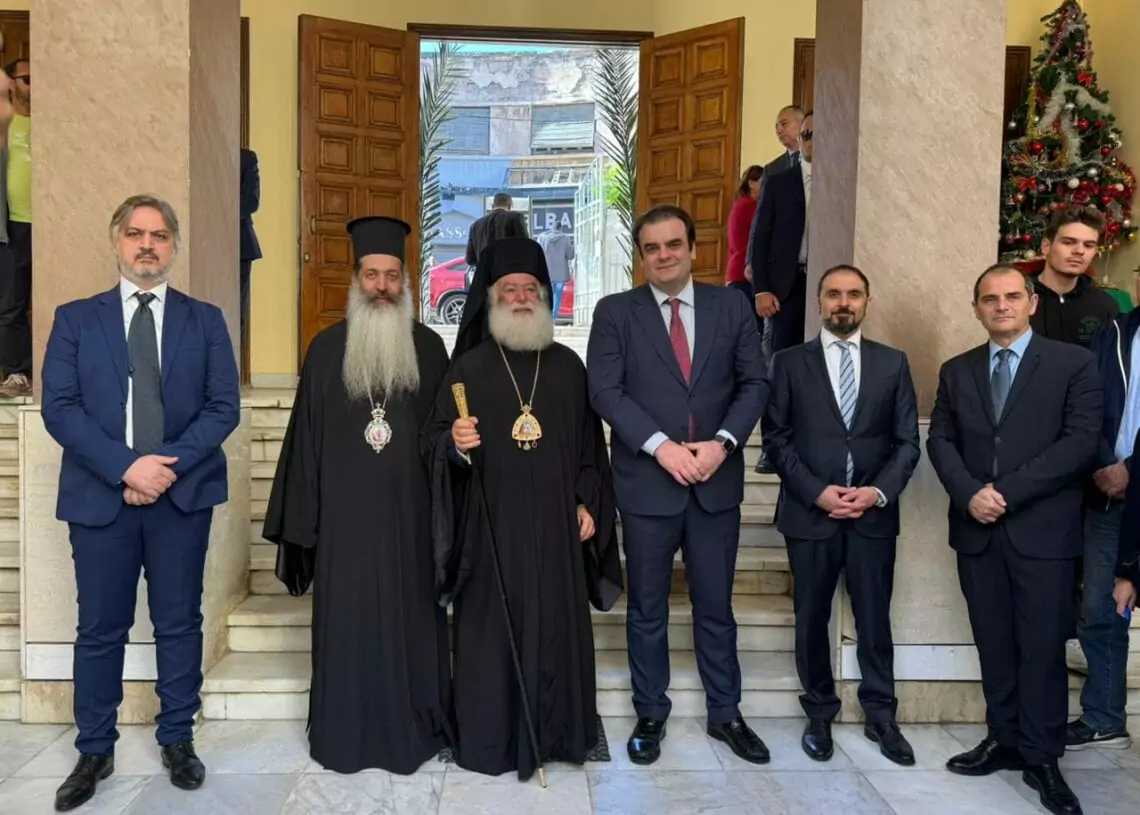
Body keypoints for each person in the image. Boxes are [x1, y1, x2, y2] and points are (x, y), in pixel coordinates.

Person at [40, 194, 241, 812]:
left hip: (181, 497)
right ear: (117, 242)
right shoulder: (76, 319)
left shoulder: (205, 321)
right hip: (100, 499)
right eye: (135, 234)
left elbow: (223, 408)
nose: (147, 245)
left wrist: (161, 470)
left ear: (174, 245)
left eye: (159, 235)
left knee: (179, 622)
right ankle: (94, 748)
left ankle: (177, 738)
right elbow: (60, 409)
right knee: (101, 628)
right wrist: (127, 467)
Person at [424, 236, 622, 780]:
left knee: (555, 627)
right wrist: (453, 444)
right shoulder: (467, 369)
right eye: (508, 289)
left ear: (544, 295)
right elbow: (433, 440)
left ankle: (557, 733)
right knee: (491, 634)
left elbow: (590, 448)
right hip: (490, 531)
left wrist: (587, 501)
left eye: (529, 288)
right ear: (491, 299)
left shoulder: (569, 368)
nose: (519, 297)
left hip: (557, 529)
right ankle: (492, 737)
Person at [262, 215, 452, 775]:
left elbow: (444, 437)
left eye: (392, 276)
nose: (381, 287)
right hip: (343, 531)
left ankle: (416, 728)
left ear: (405, 281)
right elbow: (305, 444)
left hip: (410, 525)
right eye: (371, 275)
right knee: (347, 631)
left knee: (411, 626)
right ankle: (343, 732)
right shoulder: (325, 351)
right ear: (356, 279)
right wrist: (306, 525)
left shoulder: (429, 349)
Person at [586, 205, 769, 766]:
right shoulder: (616, 312)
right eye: (652, 248)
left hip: (715, 482)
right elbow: (605, 391)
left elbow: (755, 382)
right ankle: (650, 712)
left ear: (692, 247)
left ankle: (726, 713)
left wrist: (723, 444)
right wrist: (661, 446)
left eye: (673, 244)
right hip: (648, 485)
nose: (663, 255)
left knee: (715, 605)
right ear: (640, 257)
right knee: (647, 608)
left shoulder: (731, 306)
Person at [928, 264, 1101, 815]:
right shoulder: (957, 370)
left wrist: (1003, 492)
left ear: (1031, 303)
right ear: (976, 308)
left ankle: (1042, 757)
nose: (1000, 306)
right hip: (976, 531)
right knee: (994, 642)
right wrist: (969, 494)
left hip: (1043, 532)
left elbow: (1080, 442)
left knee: (1042, 647)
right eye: (989, 299)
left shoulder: (1073, 364)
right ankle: (1003, 739)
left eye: (1010, 296)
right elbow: (941, 440)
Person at [762, 265, 920, 765]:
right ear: (818, 302)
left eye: (853, 294)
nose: (843, 303)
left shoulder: (893, 363)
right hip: (811, 515)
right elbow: (776, 439)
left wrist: (875, 492)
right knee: (811, 617)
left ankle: (881, 715)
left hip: (873, 515)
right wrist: (817, 493)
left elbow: (907, 443)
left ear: (867, 301)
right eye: (833, 294)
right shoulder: (788, 362)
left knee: (874, 618)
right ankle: (819, 713)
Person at [1068, 293, 1139, 752]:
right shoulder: (1115, 331)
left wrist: (1133, 469)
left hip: (1130, 479)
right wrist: (1104, 468)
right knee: (1100, 609)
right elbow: (1087, 406)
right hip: (1109, 496)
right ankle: (1105, 717)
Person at [1029, 206, 1118, 349]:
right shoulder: (1019, 299)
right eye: (1068, 242)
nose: (1079, 251)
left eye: (1088, 245)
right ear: (1046, 246)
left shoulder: (1105, 306)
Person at [0, 58, 31, 396]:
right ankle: (17, 373)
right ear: (12, 84)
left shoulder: (56, 122)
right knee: (11, 303)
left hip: (52, 223)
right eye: (28, 78)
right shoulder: (5, 125)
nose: (34, 85)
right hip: (13, 225)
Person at [725, 165, 763, 307]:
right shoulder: (750, 206)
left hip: (735, 274)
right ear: (751, 183)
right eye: (763, 182)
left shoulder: (740, 204)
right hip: (743, 276)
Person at [239, 146, 262, 353]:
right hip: (203, 240)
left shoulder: (246, 158)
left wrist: (222, 211)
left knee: (237, 312)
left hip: (241, 248)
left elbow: (251, 201)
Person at [465, 191, 529, 267]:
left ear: (492, 206)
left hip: (484, 273)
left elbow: (470, 259)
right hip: (508, 271)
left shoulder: (475, 225)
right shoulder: (516, 218)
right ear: (510, 206)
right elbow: (525, 248)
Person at [536, 218, 574, 317]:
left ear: (551, 228)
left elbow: (537, 254)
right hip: (560, 273)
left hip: (546, 271)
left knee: (546, 294)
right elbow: (570, 255)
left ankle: (546, 313)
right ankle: (554, 316)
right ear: (560, 229)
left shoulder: (542, 237)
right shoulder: (565, 238)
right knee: (557, 295)